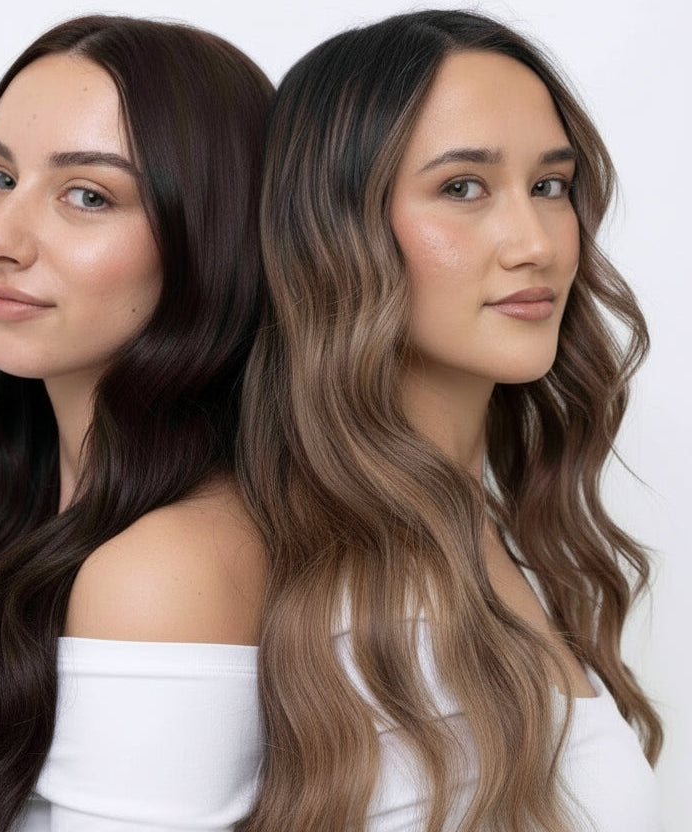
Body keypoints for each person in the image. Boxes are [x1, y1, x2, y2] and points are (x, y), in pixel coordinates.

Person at [237, 10, 662, 832]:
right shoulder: (260, 573)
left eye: (550, 186)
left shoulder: (493, 529)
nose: (534, 242)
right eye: (462, 187)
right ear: (332, 228)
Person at [0, 15, 271, 832]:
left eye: (88, 195)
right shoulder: (71, 522)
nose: (3, 240)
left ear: (211, 239)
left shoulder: (165, 573)